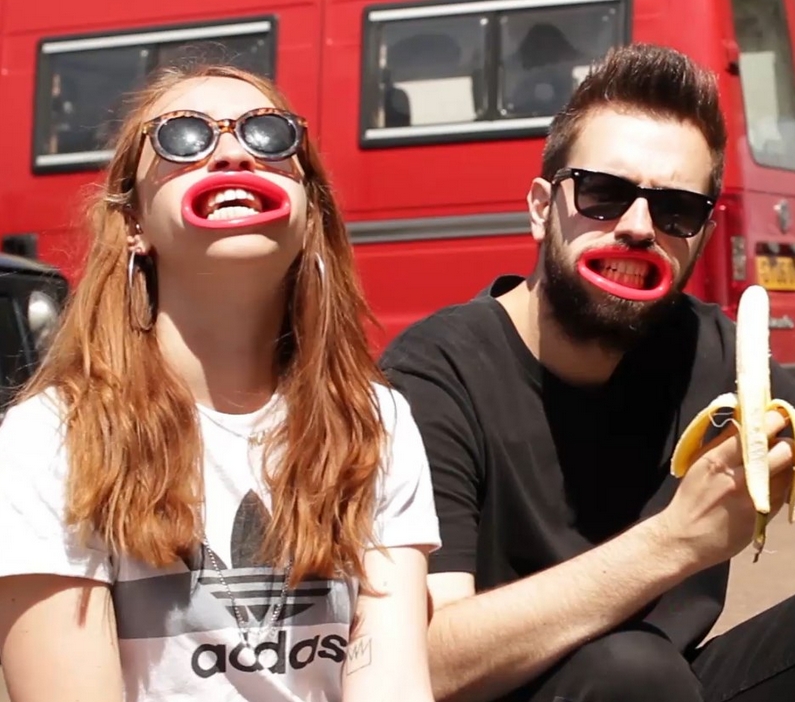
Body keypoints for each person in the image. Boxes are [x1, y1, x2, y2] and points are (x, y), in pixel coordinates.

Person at [0, 63, 440, 702]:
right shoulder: (49, 437)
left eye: (270, 134)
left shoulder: (377, 419)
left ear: (310, 215)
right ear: (133, 224)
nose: (233, 154)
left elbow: (392, 684)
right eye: (182, 137)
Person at [380, 42, 795, 702]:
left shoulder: (712, 351)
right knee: (630, 669)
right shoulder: (433, 376)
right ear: (541, 207)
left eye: (675, 209)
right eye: (603, 194)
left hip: (666, 687)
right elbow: (421, 664)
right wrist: (675, 541)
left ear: (703, 234)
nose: (638, 227)